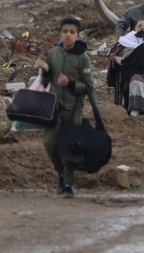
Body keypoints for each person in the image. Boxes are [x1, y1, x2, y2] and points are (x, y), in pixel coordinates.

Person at [38, 17, 93, 199]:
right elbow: (46, 82)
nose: (68, 35)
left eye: (72, 32)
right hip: (54, 108)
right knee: (50, 143)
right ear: (60, 34)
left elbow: (88, 87)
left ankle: (68, 184)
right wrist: (46, 71)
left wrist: (70, 84)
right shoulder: (53, 54)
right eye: (65, 32)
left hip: (74, 109)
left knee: (70, 147)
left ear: (77, 36)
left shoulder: (82, 58)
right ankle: (61, 174)